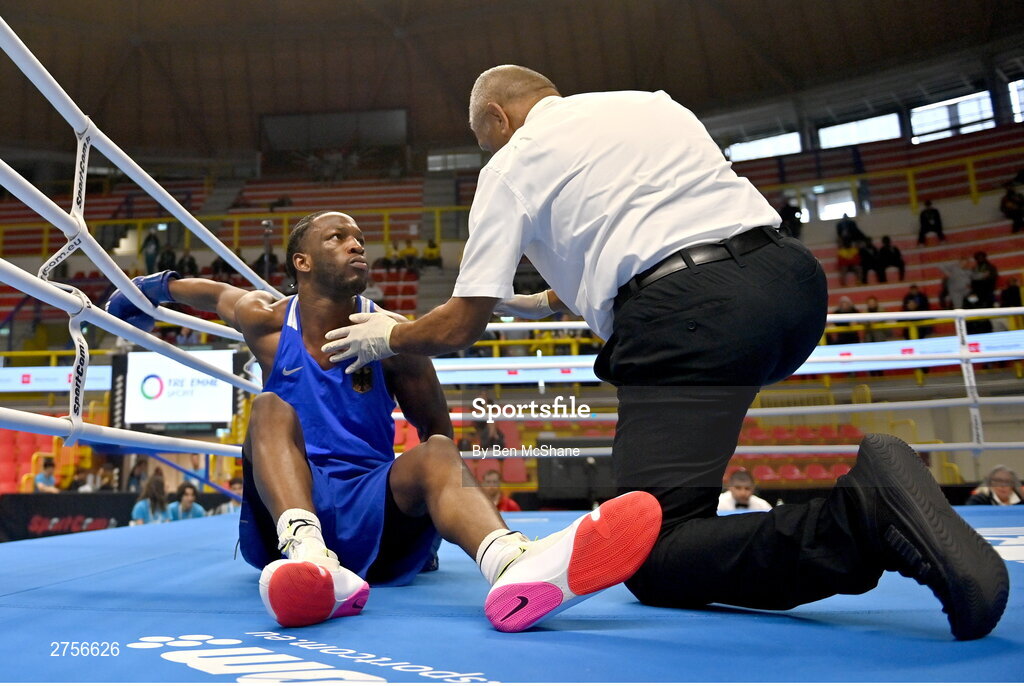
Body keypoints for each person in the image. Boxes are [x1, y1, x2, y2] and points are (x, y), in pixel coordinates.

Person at [329, 65, 1008, 640]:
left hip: (694, 319)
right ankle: (855, 512)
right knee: (681, 480)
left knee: (654, 554)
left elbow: (456, 328)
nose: (488, 154)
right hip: (789, 288)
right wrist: (555, 298)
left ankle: (863, 516)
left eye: (484, 142)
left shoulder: (510, 164)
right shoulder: (650, 106)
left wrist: (387, 333)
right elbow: (657, 219)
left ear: (499, 122)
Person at [104, 210, 660, 632]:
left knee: (438, 451)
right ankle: (308, 556)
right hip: (291, 508)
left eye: (359, 240)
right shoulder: (267, 322)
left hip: (374, 508)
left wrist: (436, 521)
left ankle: (511, 563)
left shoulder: (393, 336)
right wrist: (138, 294)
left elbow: (436, 432)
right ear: (302, 262)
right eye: (337, 239)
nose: (355, 246)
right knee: (270, 407)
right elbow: (210, 292)